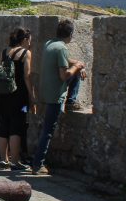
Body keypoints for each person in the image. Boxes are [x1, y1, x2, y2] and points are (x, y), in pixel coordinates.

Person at [31, 19, 87, 176]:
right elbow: (64, 76)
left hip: (45, 90)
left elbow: (64, 61)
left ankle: (70, 101)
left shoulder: (49, 44)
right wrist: (77, 67)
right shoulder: (62, 48)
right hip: (55, 94)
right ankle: (38, 165)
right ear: (70, 34)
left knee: (45, 128)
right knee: (48, 131)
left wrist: (77, 64)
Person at [0, 27, 36, 171]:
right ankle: (15, 162)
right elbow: (27, 76)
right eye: (29, 40)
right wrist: (32, 97)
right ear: (24, 39)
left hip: (2, 95)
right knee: (16, 128)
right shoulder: (26, 53)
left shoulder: (4, 52)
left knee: (3, 127)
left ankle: (3, 160)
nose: (30, 43)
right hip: (18, 97)